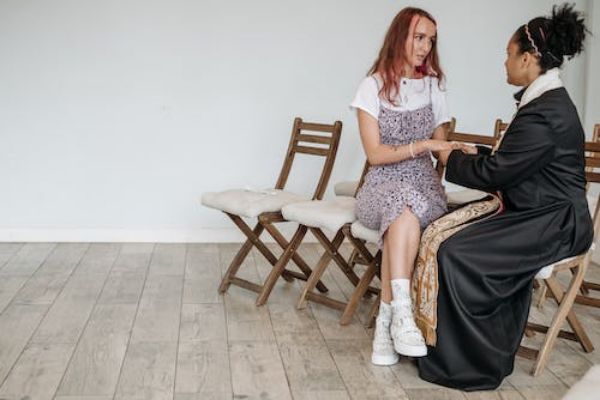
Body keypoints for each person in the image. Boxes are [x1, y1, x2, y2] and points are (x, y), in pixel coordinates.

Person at [420, 3, 593, 391]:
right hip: (537, 210)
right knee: (444, 235)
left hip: (556, 222)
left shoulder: (546, 111)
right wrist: (472, 153)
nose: (505, 62)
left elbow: (498, 173)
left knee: (457, 252)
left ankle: (473, 362)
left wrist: (449, 158)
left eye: (509, 53)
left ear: (528, 59)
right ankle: (449, 348)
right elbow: (514, 161)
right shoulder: (544, 102)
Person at [349, 7, 458, 366]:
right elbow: (375, 154)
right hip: (379, 186)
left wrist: (468, 158)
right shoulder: (372, 87)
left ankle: (387, 324)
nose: (426, 47)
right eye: (419, 37)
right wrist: (422, 145)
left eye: (431, 40)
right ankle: (403, 314)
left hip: (425, 188)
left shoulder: (434, 86)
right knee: (400, 202)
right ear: (400, 36)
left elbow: (442, 152)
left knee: (405, 213)